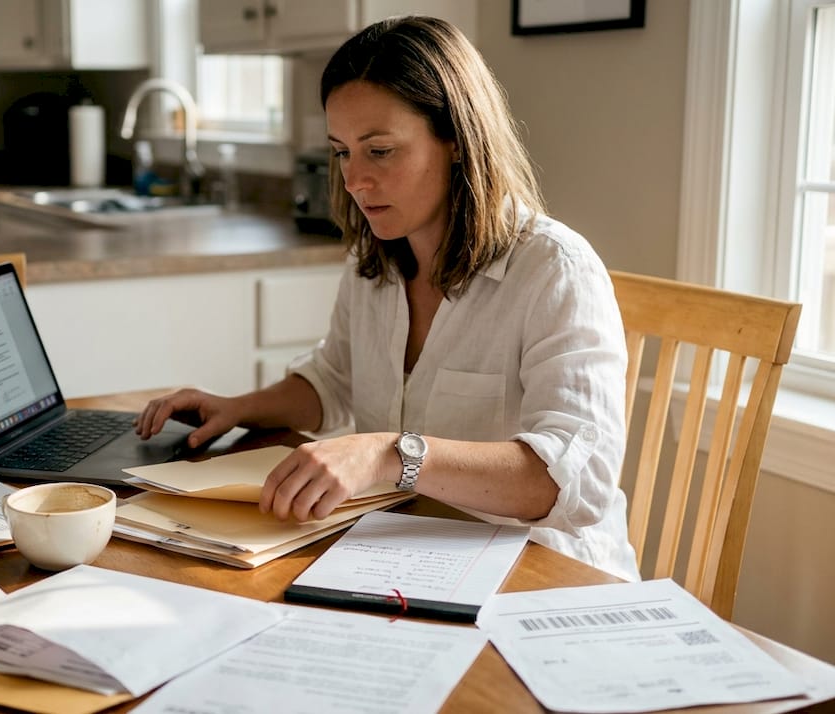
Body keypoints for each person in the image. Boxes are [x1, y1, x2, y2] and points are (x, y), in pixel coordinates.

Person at [135, 15, 638, 581]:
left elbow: (576, 481)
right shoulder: (376, 261)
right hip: (410, 558)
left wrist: (388, 455)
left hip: (542, 579)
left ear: (455, 139)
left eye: (379, 151)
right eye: (342, 151)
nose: (354, 180)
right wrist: (236, 408)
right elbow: (334, 379)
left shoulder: (554, 270)